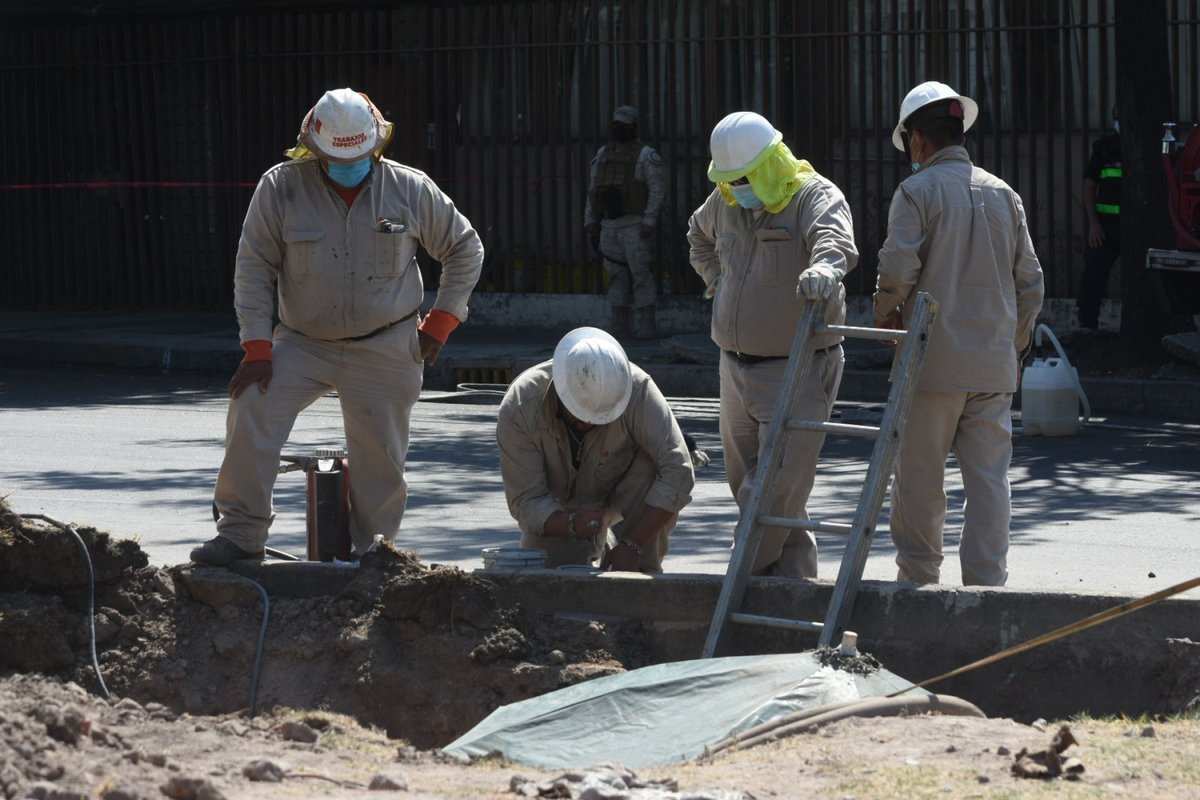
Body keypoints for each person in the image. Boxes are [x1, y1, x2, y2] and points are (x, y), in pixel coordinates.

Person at [191, 88, 484, 566]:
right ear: (315, 148)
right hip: (301, 342)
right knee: (251, 408)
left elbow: (465, 248)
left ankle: (373, 553)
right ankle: (241, 534)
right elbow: (254, 267)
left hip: (386, 340)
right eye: (337, 158)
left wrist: (442, 320)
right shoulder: (280, 188)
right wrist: (257, 347)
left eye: (360, 156)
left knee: (380, 457)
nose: (350, 164)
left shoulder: (410, 188)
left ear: (376, 146)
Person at [874, 80, 1044, 586]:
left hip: (931, 366)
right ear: (959, 136)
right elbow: (1030, 284)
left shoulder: (915, 191)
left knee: (921, 482)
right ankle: (989, 587)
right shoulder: (1004, 195)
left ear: (918, 141)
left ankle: (919, 583)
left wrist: (886, 316)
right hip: (993, 365)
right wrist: (1014, 348)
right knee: (990, 484)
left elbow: (896, 269)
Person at [687, 111, 858, 579]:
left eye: (743, 178)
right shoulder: (725, 200)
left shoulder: (812, 196)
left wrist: (824, 269)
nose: (735, 187)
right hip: (734, 368)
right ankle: (793, 585)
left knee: (771, 492)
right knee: (754, 487)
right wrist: (715, 279)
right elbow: (697, 236)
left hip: (796, 368)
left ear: (767, 165)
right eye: (728, 179)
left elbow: (834, 242)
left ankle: (737, 585)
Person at [496, 327, 695, 572]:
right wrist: (570, 524)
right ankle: (602, 541)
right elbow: (526, 500)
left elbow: (679, 471)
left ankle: (634, 560)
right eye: (581, 416)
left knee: (653, 467)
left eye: (603, 418)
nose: (590, 424)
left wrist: (633, 546)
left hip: (622, 490)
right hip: (560, 509)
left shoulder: (637, 388)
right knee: (551, 583)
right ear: (560, 390)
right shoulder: (520, 406)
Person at [584, 106, 666, 339]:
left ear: (634, 127)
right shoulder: (602, 155)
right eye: (616, 125)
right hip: (609, 225)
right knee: (614, 275)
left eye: (625, 125)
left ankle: (647, 324)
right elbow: (593, 190)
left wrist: (649, 220)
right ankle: (620, 324)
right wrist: (590, 220)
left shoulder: (646, 155)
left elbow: (656, 189)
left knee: (641, 274)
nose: (620, 129)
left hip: (634, 224)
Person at [1076, 106, 1122, 330]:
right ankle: (1087, 327)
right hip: (1105, 229)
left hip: (1133, 230)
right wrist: (1094, 224)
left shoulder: (1147, 146)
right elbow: (1089, 188)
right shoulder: (1105, 148)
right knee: (1092, 278)